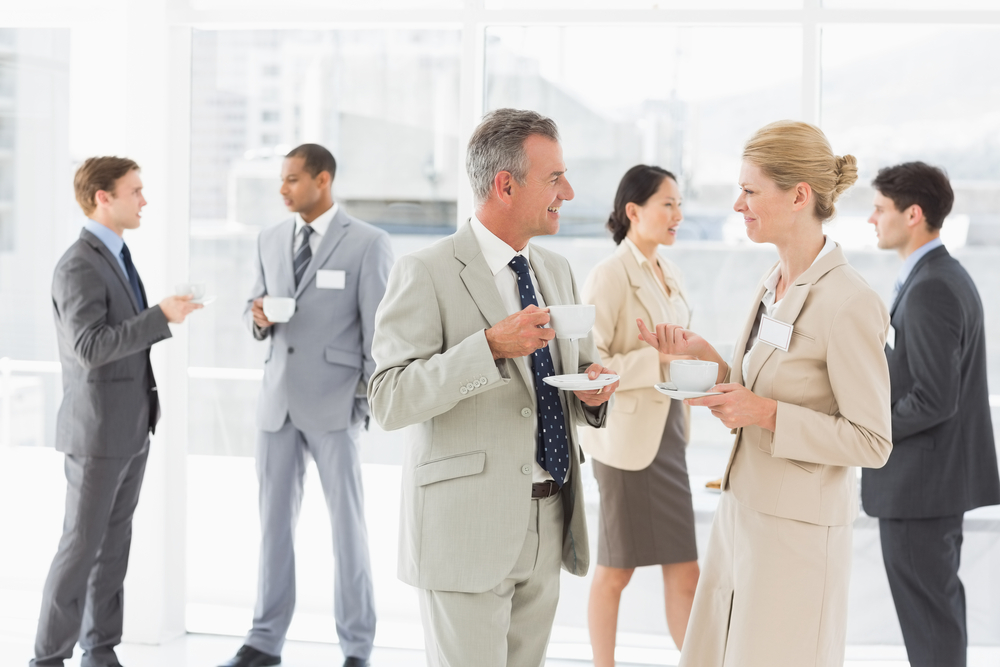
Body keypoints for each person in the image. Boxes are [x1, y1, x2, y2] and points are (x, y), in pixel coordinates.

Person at [368, 108, 619, 667]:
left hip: (548, 519)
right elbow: (387, 398)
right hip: (465, 531)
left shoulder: (555, 270)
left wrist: (591, 396)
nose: (569, 191)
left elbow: (558, 383)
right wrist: (487, 348)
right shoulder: (425, 271)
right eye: (555, 178)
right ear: (506, 184)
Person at [638, 120, 893, 667]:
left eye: (750, 191)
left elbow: (872, 441)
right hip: (742, 517)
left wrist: (768, 412)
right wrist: (710, 360)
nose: (738, 204)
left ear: (799, 195)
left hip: (796, 540)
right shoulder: (772, 281)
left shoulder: (850, 302)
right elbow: (763, 387)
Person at [219, 144, 392, 667]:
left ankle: (357, 647)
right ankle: (264, 639)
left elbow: (377, 337)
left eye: (292, 179)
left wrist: (363, 405)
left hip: (336, 406)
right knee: (272, 527)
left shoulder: (368, 243)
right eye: (282, 179)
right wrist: (257, 317)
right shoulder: (270, 238)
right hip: (276, 407)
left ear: (323, 179)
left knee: (348, 529)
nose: (283, 188)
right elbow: (255, 308)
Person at [32, 157, 201, 667]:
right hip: (96, 431)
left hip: (129, 427)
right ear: (103, 197)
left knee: (113, 546)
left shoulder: (117, 256)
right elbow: (88, 346)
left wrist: (159, 315)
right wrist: (160, 317)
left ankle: (100, 649)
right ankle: (47, 658)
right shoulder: (78, 264)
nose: (144, 200)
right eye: (135, 191)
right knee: (80, 548)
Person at [862, 161, 1000, 667]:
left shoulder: (931, 287)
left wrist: (866, 427)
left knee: (929, 618)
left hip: (920, 487)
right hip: (930, 484)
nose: (871, 220)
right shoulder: (936, 275)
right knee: (936, 612)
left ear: (912, 214)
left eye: (879, 209)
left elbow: (934, 399)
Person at [581, 165, 699, 663]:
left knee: (686, 569)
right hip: (628, 443)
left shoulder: (667, 271)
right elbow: (592, 365)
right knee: (617, 569)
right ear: (633, 211)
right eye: (667, 204)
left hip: (668, 432)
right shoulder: (609, 276)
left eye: (679, 204)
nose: (678, 214)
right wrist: (661, 360)